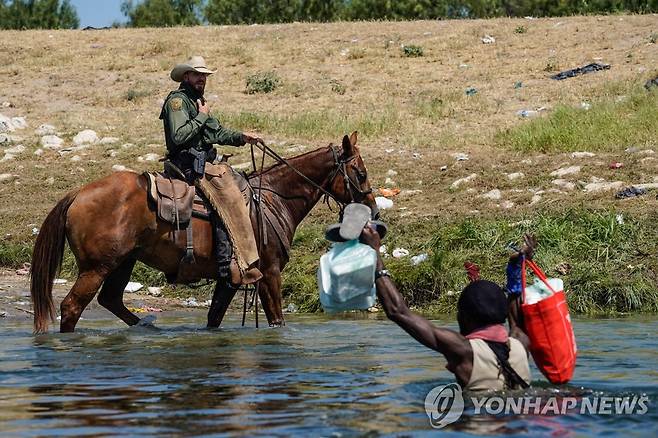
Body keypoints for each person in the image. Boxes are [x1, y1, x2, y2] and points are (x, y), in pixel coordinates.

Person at [359, 227, 534, 392]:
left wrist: (374, 252)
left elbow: (398, 311)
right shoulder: (521, 343)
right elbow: (516, 312)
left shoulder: (463, 350)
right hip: (520, 419)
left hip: (479, 420)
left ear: (466, 318)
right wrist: (516, 267)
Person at [160, 55, 263, 283]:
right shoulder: (177, 102)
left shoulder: (197, 100)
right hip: (186, 165)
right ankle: (227, 263)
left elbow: (216, 133)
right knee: (229, 197)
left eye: (204, 76)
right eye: (198, 75)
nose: (202, 79)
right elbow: (178, 137)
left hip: (201, 162)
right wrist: (201, 116)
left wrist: (242, 137)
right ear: (186, 76)